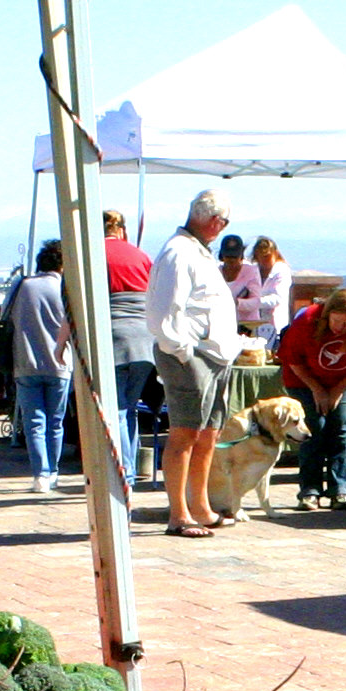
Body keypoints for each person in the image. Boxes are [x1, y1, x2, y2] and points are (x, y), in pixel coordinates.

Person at [145, 190, 239, 535]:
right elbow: (162, 311)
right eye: (223, 223)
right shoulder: (178, 252)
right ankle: (178, 514)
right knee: (184, 434)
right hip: (191, 355)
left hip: (214, 355)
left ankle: (200, 506)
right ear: (215, 221)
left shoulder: (198, 252)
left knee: (208, 435)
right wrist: (183, 351)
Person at [277, 286, 346, 510]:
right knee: (314, 427)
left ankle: (340, 490)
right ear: (327, 315)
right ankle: (309, 490)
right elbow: (293, 360)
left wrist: (337, 390)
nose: (339, 328)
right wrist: (317, 389)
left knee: (340, 426)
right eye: (336, 322)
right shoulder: (307, 319)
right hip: (303, 379)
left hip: (345, 378)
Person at [7, 239, 74, 494]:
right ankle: (54, 471)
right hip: (60, 363)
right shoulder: (65, 288)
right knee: (55, 421)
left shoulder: (22, 286)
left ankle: (40, 475)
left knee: (34, 421)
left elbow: (6, 317)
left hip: (26, 361)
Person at [102, 210, 156, 478]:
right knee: (130, 408)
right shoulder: (141, 255)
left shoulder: (94, 253)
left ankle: (124, 471)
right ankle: (130, 467)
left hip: (114, 339)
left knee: (118, 409)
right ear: (122, 229)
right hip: (145, 341)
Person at [241, 235, 295, 335]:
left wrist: (250, 303)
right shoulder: (253, 270)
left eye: (267, 256)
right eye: (260, 256)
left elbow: (277, 299)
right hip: (253, 324)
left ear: (275, 253)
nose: (264, 260)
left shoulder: (281, 271)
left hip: (274, 326)